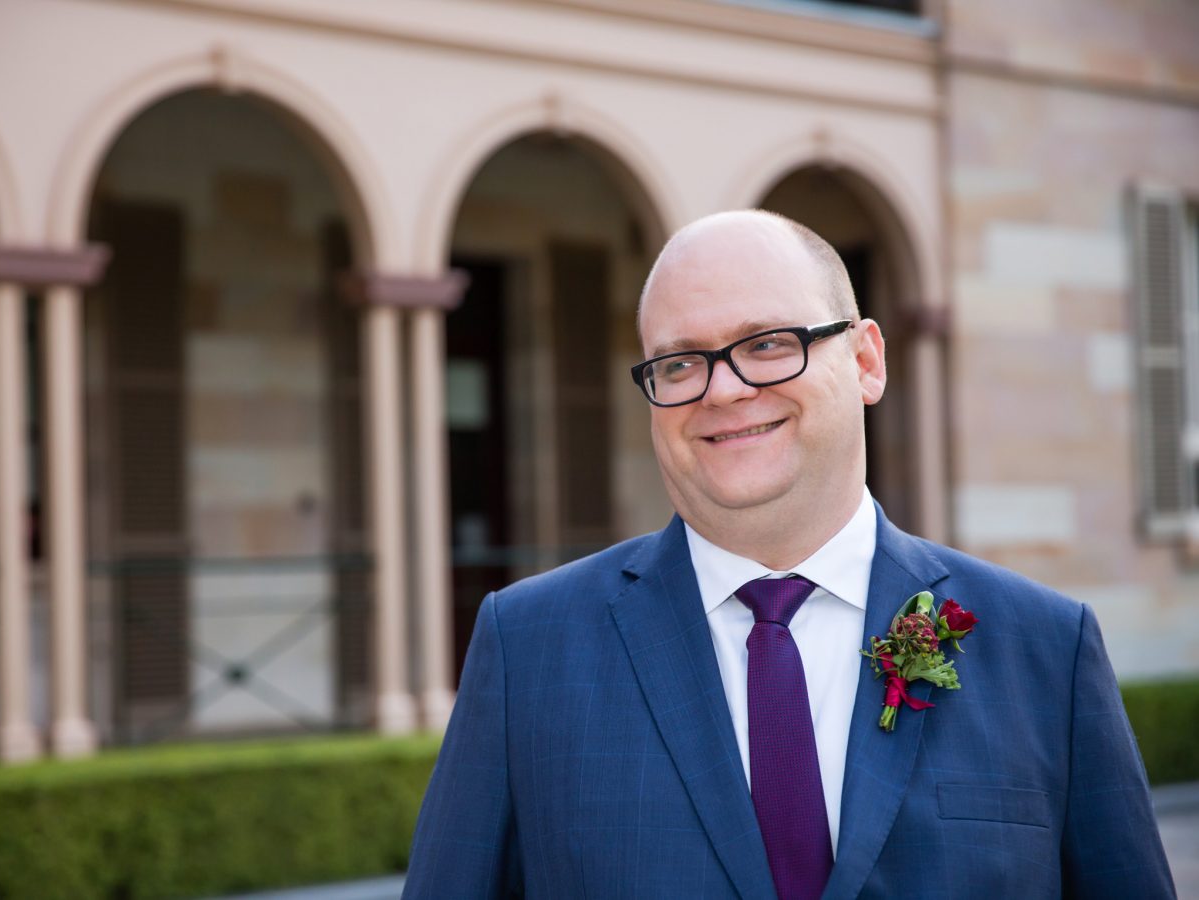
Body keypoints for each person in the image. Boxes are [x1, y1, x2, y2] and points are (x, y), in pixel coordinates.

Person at [403, 210, 1175, 899]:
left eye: (769, 344)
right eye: (679, 362)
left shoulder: (1046, 651)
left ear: (866, 361)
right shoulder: (528, 649)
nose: (722, 390)